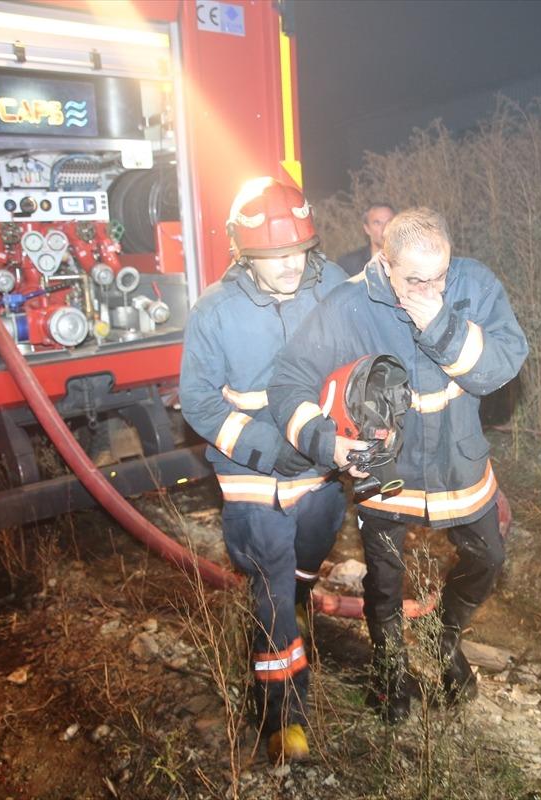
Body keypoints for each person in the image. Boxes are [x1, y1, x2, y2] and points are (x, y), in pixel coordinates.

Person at [269, 207, 528, 722]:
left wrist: (443, 324)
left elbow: (505, 362)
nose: (431, 288)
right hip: (385, 467)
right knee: (385, 579)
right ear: (386, 264)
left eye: (440, 276)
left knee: (488, 560)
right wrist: (327, 442)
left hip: (459, 459)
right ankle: (390, 671)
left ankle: (445, 643)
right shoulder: (349, 304)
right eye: (416, 280)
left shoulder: (473, 285)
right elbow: (288, 380)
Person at [180, 177, 347, 761]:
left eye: (299, 253)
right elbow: (199, 402)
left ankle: (300, 598)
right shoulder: (214, 312)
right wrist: (265, 449)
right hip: (256, 480)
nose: (291, 268)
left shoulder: (331, 287)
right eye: (275, 258)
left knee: (305, 566)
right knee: (274, 594)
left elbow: (365, 349)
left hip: (321, 477)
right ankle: (282, 720)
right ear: (244, 255)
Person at [337, 202, 394, 277]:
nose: (384, 228)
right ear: (367, 229)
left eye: (389, 222)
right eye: (377, 223)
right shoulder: (349, 264)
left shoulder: (408, 260)